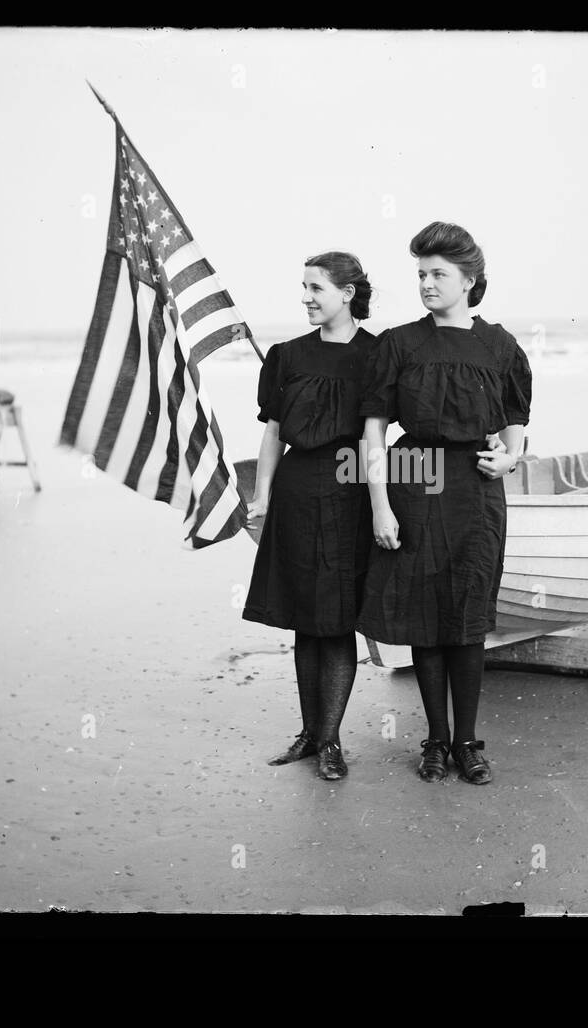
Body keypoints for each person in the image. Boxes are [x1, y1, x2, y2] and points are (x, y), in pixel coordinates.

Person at [357, 222, 532, 784]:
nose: (427, 284)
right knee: (426, 618)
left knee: (468, 618)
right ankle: (434, 740)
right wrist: (381, 507)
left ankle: (468, 743)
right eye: (421, 275)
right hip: (415, 479)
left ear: (469, 280)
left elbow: (515, 422)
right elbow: (373, 434)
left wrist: (510, 458)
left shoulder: (499, 345)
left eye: (439, 275)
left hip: (477, 490)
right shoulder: (399, 344)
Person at [242, 252, 377, 781]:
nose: (306, 297)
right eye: (303, 287)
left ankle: (331, 741)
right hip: (298, 490)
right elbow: (274, 432)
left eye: (316, 287)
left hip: (350, 489)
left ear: (347, 293)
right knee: (304, 616)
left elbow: (387, 435)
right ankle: (309, 733)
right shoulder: (286, 356)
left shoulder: (377, 355)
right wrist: (262, 494)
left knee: (337, 618)